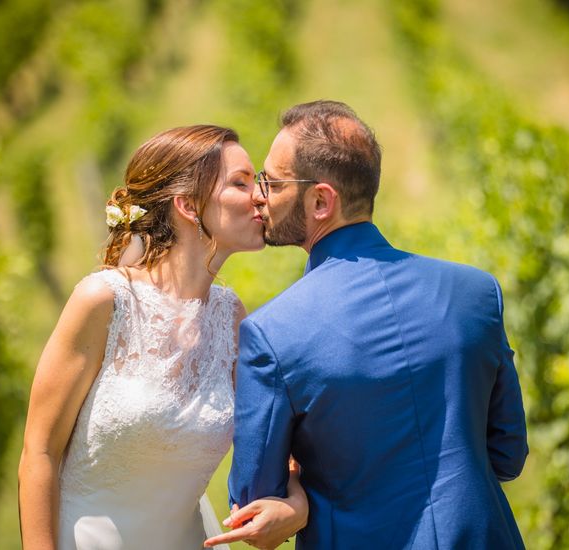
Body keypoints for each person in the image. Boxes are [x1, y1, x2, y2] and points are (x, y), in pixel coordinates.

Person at [212, 101, 528, 549]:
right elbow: (507, 454)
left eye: (273, 182)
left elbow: (253, 499)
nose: (260, 194)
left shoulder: (273, 332)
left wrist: (301, 489)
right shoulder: (477, 292)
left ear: (321, 200)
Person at [17, 125, 308, 550]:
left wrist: (295, 508)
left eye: (257, 182)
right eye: (240, 183)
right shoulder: (104, 302)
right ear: (188, 205)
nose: (260, 197)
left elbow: (280, 446)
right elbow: (38, 454)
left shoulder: (231, 318)